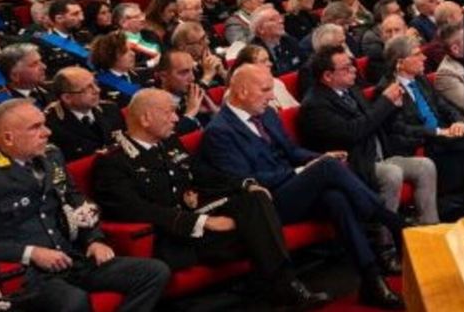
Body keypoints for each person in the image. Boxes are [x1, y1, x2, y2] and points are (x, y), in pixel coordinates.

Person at [91, 89, 330, 310]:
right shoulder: (113, 161)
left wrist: (244, 184)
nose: (176, 119)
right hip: (175, 237)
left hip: (199, 223)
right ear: (145, 119)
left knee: (255, 200)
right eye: (169, 113)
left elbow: (202, 174)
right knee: (258, 227)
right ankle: (281, 286)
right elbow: (136, 210)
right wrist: (203, 222)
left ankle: (279, 285)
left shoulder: (168, 142)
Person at [200, 64, 405, 308]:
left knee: (335, 198)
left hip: (293, 189)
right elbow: (247, 181)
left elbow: (292, 151)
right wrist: (306, 170)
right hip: (265, 206)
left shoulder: (266, 113)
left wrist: (316, 157)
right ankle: (391, 221)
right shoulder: (219, 132)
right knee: (326, 168)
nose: (272, 96)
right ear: (242, 92)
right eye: (265, 89)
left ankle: (372, 280)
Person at [0, 98, 170, 311]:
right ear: (9, 138)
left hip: (72, 259)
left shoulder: (52, 156)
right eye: (36, 127)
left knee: (154, 272)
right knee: (74, 301)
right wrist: (31, 253)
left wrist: (93, 239)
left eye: (44, 124)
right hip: (29, 274)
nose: (47, 132)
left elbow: (74, 198)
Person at [298, 45, 440, 231]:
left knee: (425, 166)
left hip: (380, 154)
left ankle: (431, 229)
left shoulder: (351, 89)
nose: (354, 70)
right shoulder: (315, 105)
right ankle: (387, 245)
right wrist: (385, 101)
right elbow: (353, 132)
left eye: (352, 65)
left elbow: (374, 121)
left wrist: (392, 107)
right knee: (392, 174)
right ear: (327, 76)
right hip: (356, 164)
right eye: (346, 68)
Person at [376, 37, 464, 215]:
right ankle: (451, 208)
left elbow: (444, 105)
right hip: (420, 144)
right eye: (417, 54)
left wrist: (458, 122)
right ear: (400, 63)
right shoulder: (387, 90)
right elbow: (401, 129)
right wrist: (439, 132)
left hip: (443, 135)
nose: (424, 58)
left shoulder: (420, 80)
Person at [44, 67, 122, 160]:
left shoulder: (110, 109)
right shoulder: (50, 123)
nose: (97, 90)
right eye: (88, 88)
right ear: (67, 98)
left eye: (95, 84)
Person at [152, 49, 219, 134]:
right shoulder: (154, 105)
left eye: (192, 70)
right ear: (163, 76)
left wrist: (212, 110)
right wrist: (190, 113)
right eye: (184, 73)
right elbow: (168, 140)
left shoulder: (190, 96)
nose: (192, 78)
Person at [90, 31, 144, 107]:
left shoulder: (142, 76)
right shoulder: (97, 82)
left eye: (131, 50)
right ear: (111, 55)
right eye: (125, 51)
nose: (133, 54)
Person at [249, 7, 307, 76]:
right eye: (272, 19)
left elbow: (305, 64)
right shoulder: (254, 52)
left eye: (279, 17)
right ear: (260, 29)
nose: (281, 21)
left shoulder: (290, 41)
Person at [0, 44, 50, 108]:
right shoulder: (2, 105)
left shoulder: (49, 87)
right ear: (14, 76)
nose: (44, 66)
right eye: (34, 64)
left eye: (40, 61)